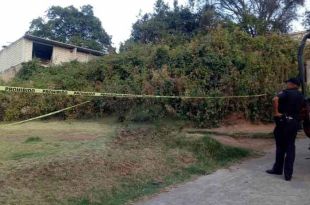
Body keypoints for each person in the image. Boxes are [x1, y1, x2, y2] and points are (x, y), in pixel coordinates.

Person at [266, 77, 304, 181]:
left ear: (292, 84)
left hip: (283, 121)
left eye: (288, 83)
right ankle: (288, 174)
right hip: (294, 122)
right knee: (290, 147)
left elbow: (275, 99)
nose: (287, 84)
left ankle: (278, 169)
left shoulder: (286, 92)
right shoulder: (301, 95)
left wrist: (276, 112)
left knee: (280, 146)